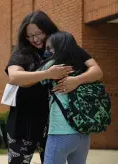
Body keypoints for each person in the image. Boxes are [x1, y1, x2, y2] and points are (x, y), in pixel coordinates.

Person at [5, 10, 103, 164]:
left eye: (39, 33)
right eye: (30, 36)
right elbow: (15, 77)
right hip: (23, 124)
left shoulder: (65, 46)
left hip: (53, 126)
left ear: (48, 29)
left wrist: (77, 80)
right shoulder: (22, 53)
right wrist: (47, 74)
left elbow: (97, 71)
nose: (35, 39)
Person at [38, 31, 103, 164]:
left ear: (59, 47)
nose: (47, 51)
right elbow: (98, 71)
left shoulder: (53, 66)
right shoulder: (84, 67)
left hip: (60, 132)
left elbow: (37, 79)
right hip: (82, 133)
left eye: (50, 48)